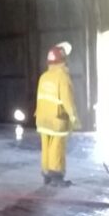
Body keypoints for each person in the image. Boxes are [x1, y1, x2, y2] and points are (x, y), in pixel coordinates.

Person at [35, 45, 80, 187]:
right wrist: (74, 117)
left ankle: (46, 174)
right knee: (57, 148)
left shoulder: (44, 77)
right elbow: (67, 100)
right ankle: (56, 176)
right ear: (63, 60)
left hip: (42, 118)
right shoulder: (63, 77)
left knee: (46, 148)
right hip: (57, 119)